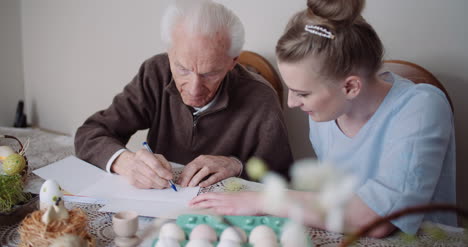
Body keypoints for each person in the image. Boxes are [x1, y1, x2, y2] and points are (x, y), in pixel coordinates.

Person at [189, 0, 456, 238]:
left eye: (302, 93)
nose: (292, 102)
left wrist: (265, 200)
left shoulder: (421, 107)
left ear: (350, 87)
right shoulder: (326, 110)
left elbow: (378, 219)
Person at [74, 0, 293, 190]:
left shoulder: (261, 99)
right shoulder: (155, 73)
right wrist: (125, 162)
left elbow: (282, 181)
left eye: (210, 73)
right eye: (183, 69)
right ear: (169, 53)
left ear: (232, 61)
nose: (194, 88)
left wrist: (237, 165)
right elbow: (90, 133)